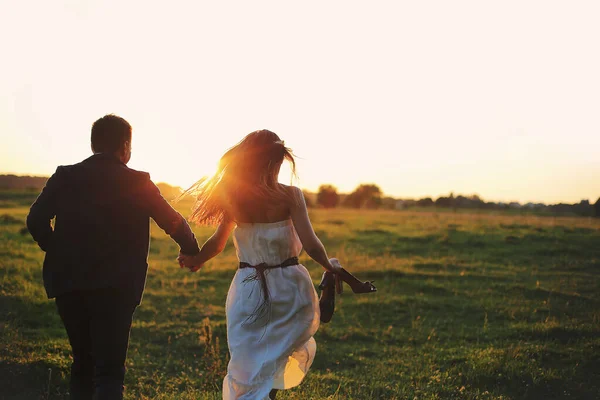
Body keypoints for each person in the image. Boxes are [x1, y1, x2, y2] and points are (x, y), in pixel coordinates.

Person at [178, 129, 376, 400]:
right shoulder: (291, 195)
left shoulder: (235, 198)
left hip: (248, 288)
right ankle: (327, 284)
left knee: (249, 361)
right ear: (275, 162)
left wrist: (195, 260)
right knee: (274, 356)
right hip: (289, 286)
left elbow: (216, 244)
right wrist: (340, 273)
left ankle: (327, 286)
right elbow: (312, 245)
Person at [26, 114, 200, 399]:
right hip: (117, 288)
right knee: (109, 371)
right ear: (125, 146)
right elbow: (172, 221)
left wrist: (58, 250)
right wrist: (191, 249)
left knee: (82, 363)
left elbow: (35, 220)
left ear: (93, 144)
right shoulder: (137, 181)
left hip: (69, 284)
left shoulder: (65, 176)